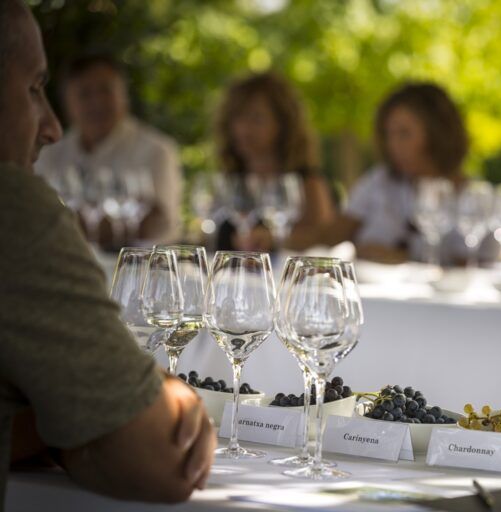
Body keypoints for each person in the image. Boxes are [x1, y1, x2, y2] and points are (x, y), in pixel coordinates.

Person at [0, 0, 215, 507]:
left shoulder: (153, 148)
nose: (49, 126)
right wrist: (76, 418)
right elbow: (162, 462)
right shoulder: (11, 210)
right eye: (34, 88)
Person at [308, 81, 479, 264]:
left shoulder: (469, 195)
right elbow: (330, 238)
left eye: (404, 134)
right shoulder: (379, 182)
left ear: (438, 134)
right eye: (389, 135)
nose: (394, 145)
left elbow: (476, 263)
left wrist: (403, 258)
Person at [35, 53, 183, 248]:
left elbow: (161, 224)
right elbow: (37, 216)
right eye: (84, 93)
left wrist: (70, 222)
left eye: (105, 90)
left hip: (136, 270)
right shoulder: (49, 153)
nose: (96, 102)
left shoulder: (157, 150)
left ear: (124, 95)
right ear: (67, 102)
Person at [213, 71, 335, 252]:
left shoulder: (307, 182)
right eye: (237, 117)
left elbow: (329, 239)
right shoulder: (230, 182)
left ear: (284, 124)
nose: (244, 129)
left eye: (257, 118)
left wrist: (276, 240)